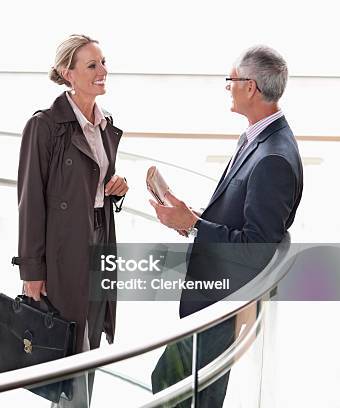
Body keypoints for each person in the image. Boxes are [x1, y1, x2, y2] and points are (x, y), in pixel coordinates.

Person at [149, 45, 303, 406]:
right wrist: (193, 218)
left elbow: (257, 248)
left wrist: (195, 226)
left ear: (250, 87)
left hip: (224, 300)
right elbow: (245, 213)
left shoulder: (273, 157)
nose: (227, 87)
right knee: (177, 385)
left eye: (231, 79)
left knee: (183, 391)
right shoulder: (257, 136)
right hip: (215, 295)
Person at [13, 34, 128, 407]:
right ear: (68, 74)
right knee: (67, 347)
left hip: (100, 236)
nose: (102, 71)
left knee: (90, 342)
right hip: (65, 246)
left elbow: (92, 184)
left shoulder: (105, 124)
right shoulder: (45, 126)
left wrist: (116, 188)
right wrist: (32, 270)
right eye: (92, 65)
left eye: (103, 62)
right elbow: (30, 201)